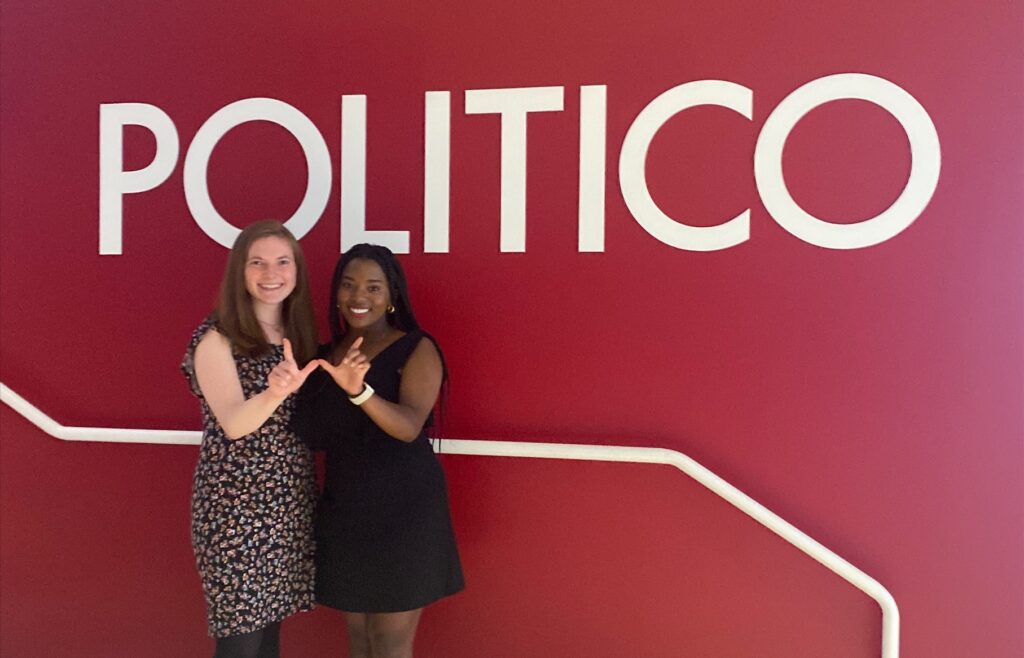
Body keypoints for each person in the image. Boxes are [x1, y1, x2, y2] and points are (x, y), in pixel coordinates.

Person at [294, 243, 464, 658]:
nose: (359, 297)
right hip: (347, 511)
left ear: (391, 297)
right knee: (360, 639)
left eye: (373, 287)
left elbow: (407, 426)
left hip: (404, 514)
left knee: (389, 644)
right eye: (349, 285)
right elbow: (312, 433)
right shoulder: (323, 357)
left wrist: (359, 391)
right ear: (336, 293)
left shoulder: (416, 348)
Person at [181, 220, 320, 658]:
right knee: (241, 639)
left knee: (267, 639)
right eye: (256, 263)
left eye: (282, 261)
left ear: (296, 270)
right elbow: (235, 424)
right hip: (235, 507)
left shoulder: (295, 338)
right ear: (239, 272)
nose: (270, 273)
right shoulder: (216, 338)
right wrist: (275, 392)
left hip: (287, 504)